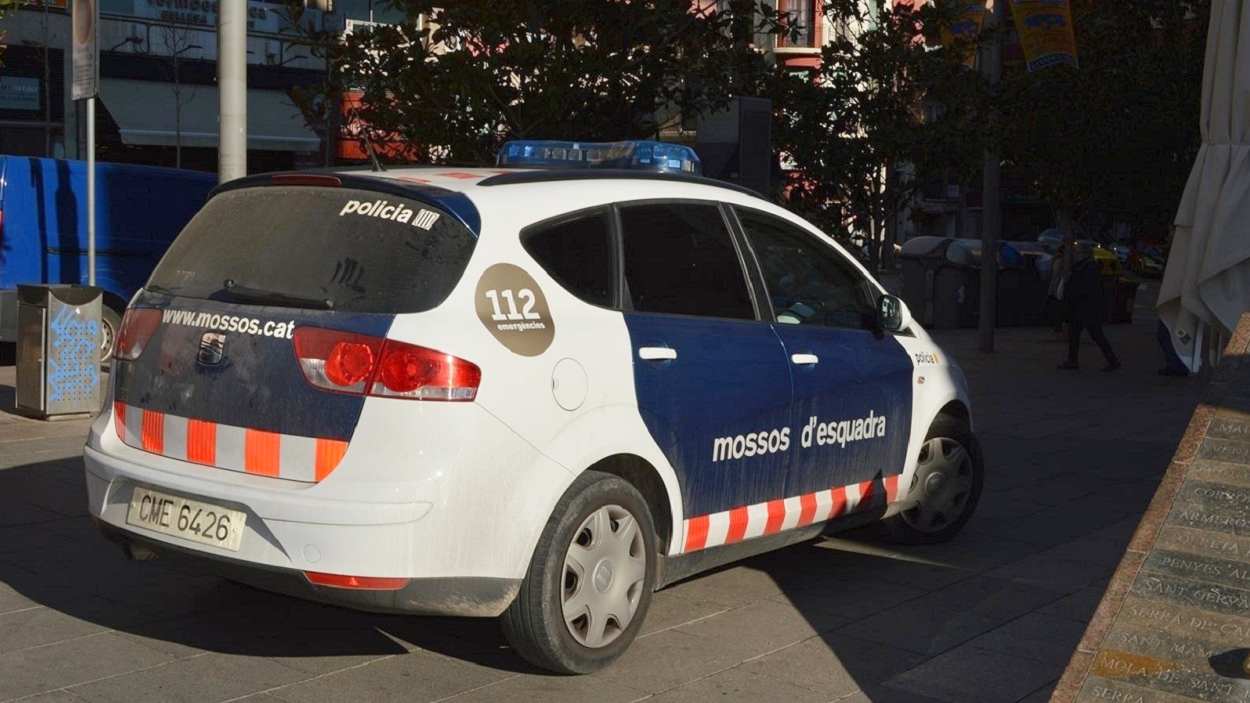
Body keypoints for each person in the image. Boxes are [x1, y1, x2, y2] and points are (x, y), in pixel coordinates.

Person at [1058, 242, 1120, 371]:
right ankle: (1074, 360)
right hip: (1083, 307)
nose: (1075, 254)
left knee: (1094, 334)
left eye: (1077, 252)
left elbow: (1087, 288)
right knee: (1080, 334)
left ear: (1083, 254)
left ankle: (1112, 360)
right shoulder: (1085, 266)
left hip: (1085, 307)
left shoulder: (1089, 267)